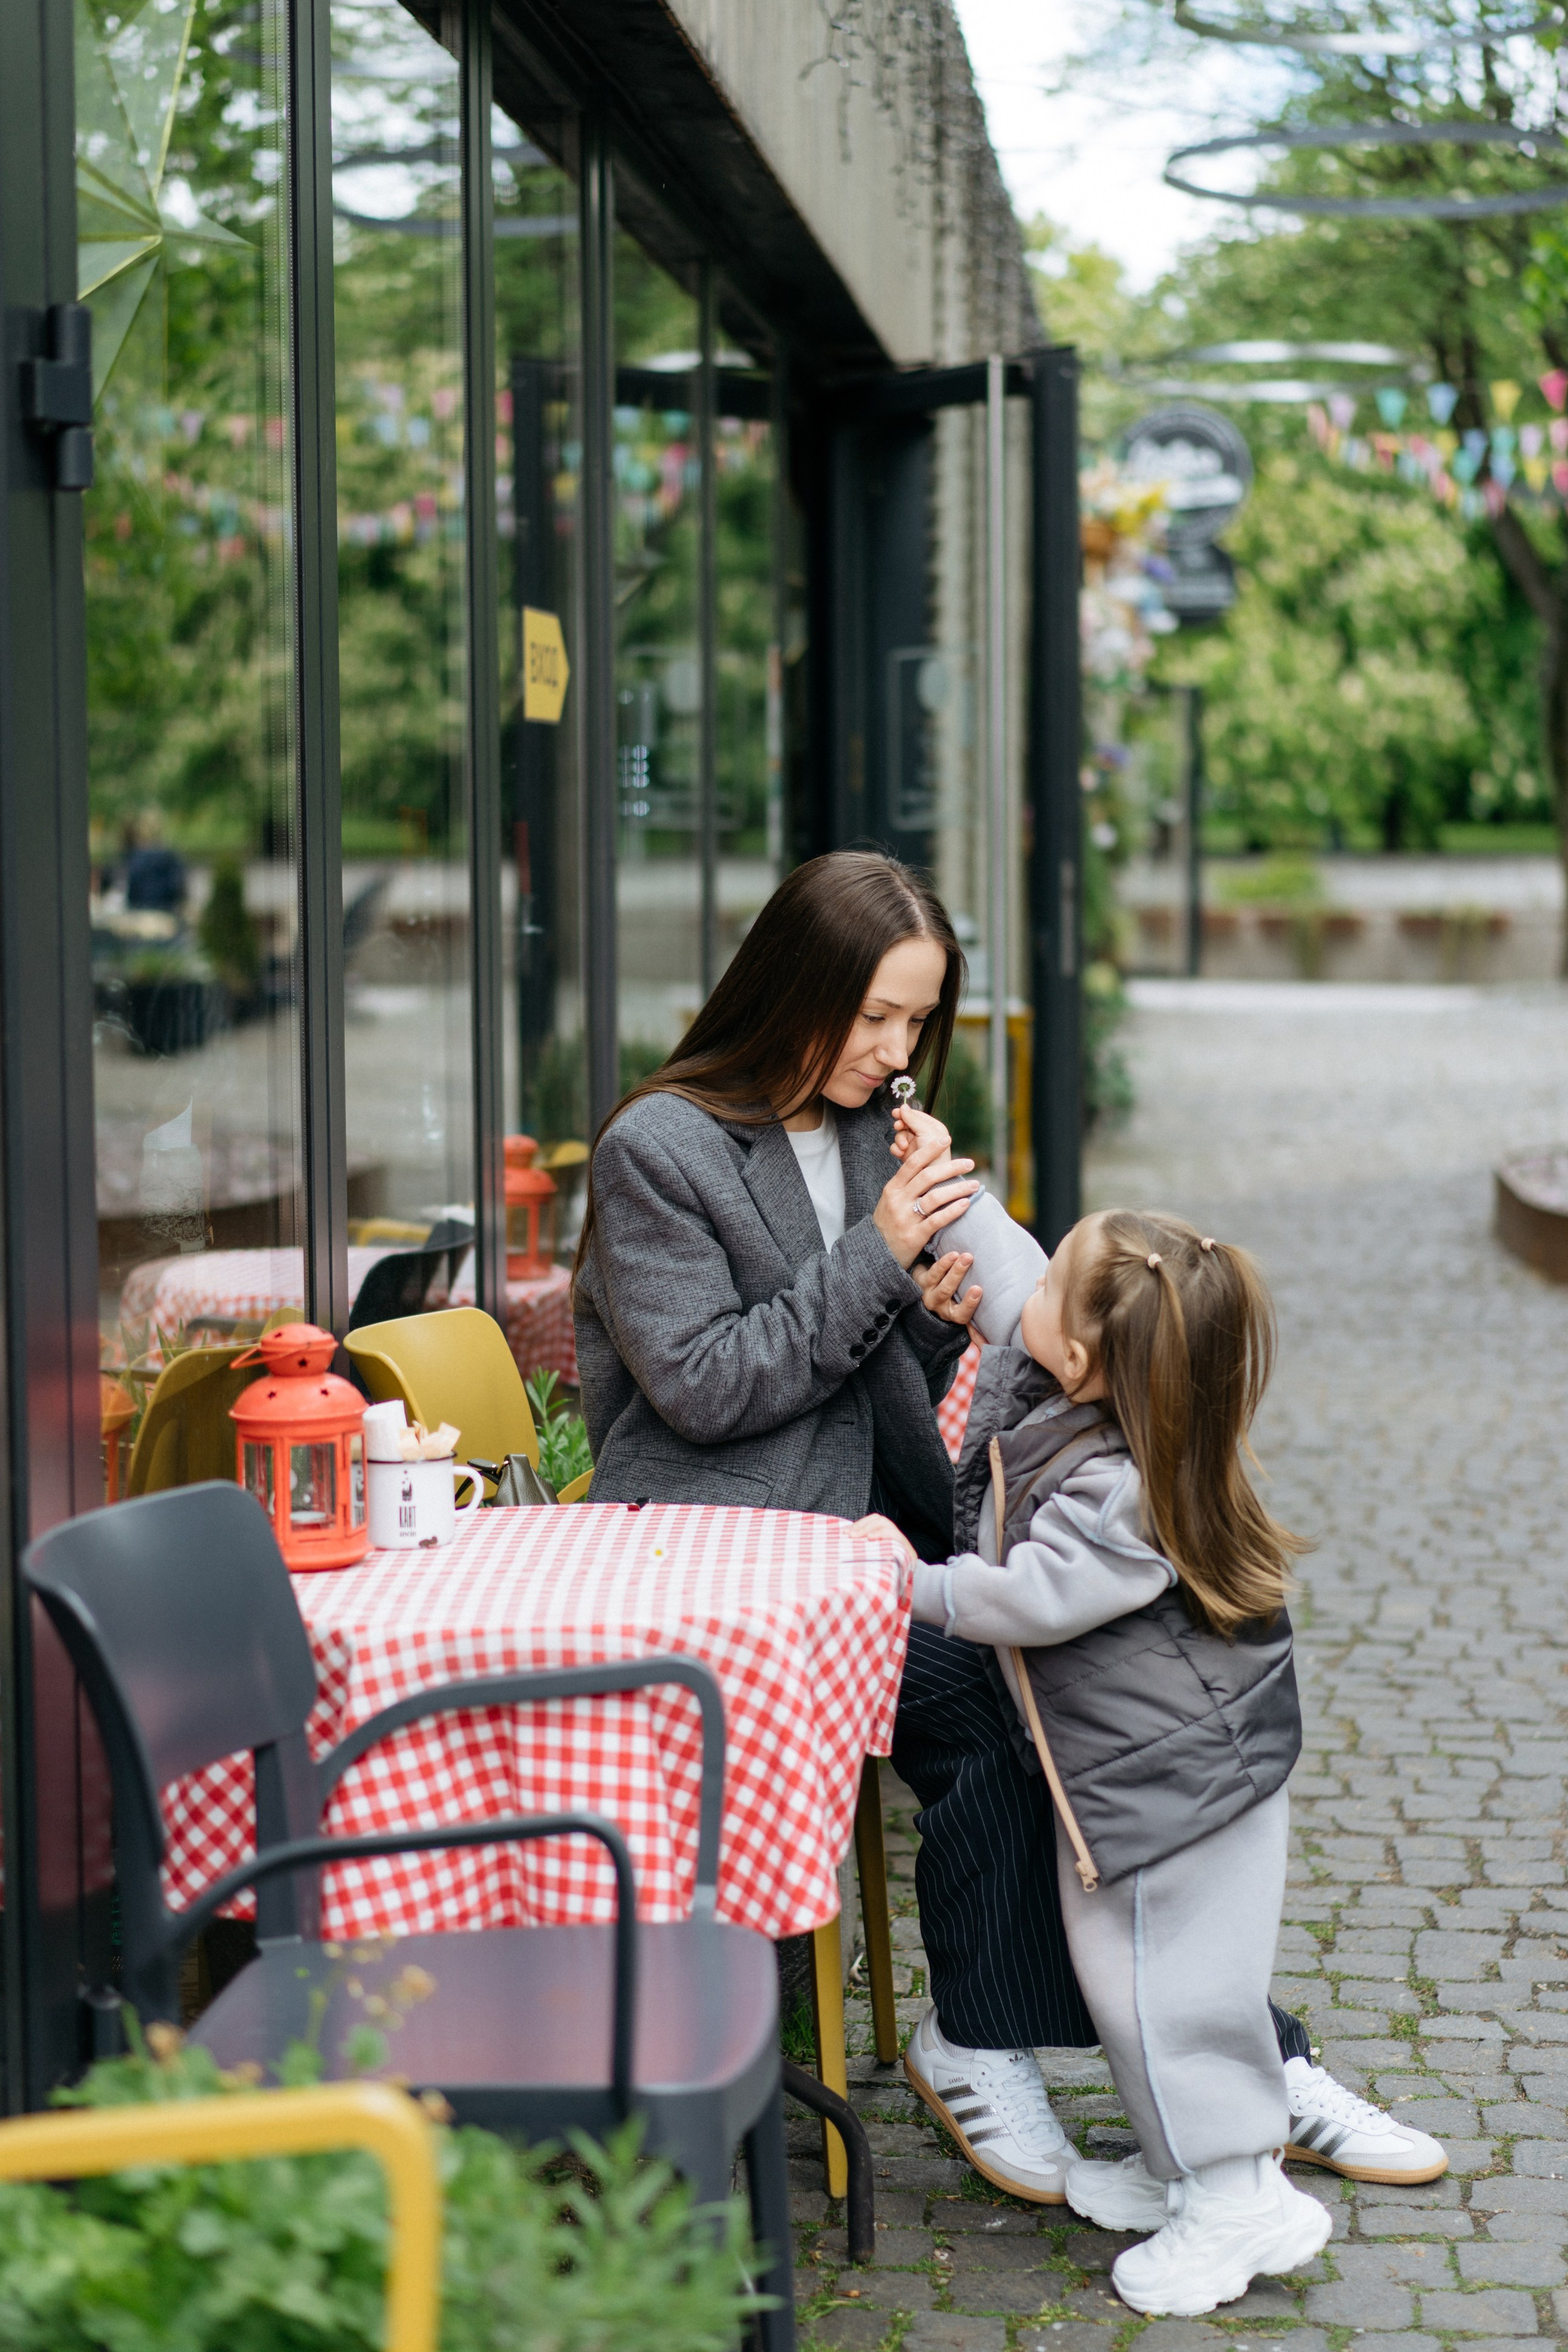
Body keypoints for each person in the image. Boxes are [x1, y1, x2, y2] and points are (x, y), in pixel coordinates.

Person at [859, 1177, 1446, 2315]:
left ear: (1078, 1362)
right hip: (1180, 1775)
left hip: (1170, 1796)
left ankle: (1239, 2205)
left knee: (1171, 1997)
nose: (1027, 1284)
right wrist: (954, 1183)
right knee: (1133, 1990)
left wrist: (914, 1584)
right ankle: (1192, 2170)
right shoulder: (1131, 1399)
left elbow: (1027, 1598)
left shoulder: (1113, 1495)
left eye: (1058, 1282)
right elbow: (1023, 1278)